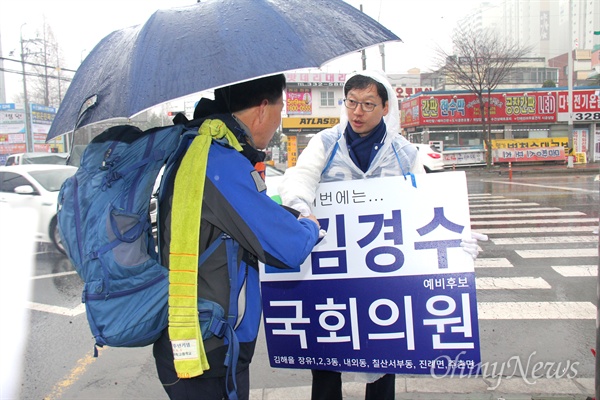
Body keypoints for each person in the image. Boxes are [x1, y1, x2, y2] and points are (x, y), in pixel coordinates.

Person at [277, 70, 485, 400]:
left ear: (385, 107)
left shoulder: (405, 154)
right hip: (333, 267)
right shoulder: (326, 143)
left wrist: (456, 238)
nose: (357, 112)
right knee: (328, 353)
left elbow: (428, 206)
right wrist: (303, 209)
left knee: (385, 349)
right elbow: (298, 179)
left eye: (368, 104)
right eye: (352, 103)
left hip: (383, 268)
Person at [153, 74, 321, 400]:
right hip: (210, 350)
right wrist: (310, 225)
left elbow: (235, 220)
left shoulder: (193, 148)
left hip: (187, 336)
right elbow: (289, 247)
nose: (279, 120)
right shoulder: (219, 161)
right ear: (262, 109)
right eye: (280, 108)